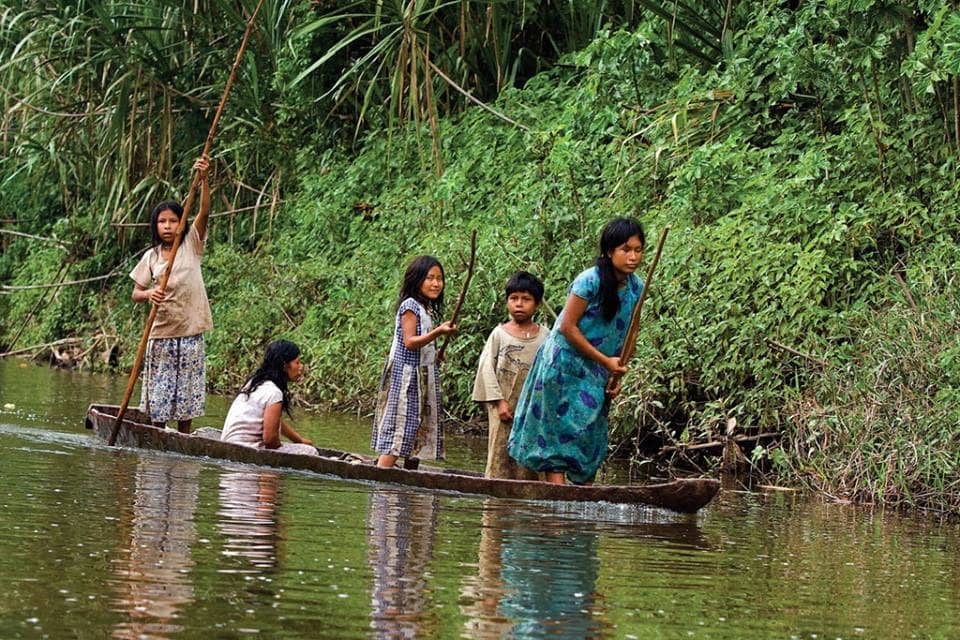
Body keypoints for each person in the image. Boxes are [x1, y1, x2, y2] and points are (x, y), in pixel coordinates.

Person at [508, 218, 645, 485]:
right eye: (625, 249)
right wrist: (606, 361)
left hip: (598, 372)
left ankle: (580, 502)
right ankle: (559, 506)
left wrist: (617, 373)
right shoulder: (589, 281)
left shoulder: (636, 287)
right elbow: (567, 328)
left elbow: (632, 333)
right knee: (555, 439)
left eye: (638, 250)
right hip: (563, 366)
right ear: (609, 251)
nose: (632, 256)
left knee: (588, 437)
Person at [129, 156, 213, 434]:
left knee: (186, 392)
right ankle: (157, 433)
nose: (167, 226)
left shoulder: (191, 245)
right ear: (155, 226)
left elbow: (204, 212)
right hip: (161, 334)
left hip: (189, 331)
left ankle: (184, 436)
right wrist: (149, 293)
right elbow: (136, 292)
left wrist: (203, 179)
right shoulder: (151, 257)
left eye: (173, 221)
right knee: (160, 393)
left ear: (181, 223)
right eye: (162, 221)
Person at [371, 255, 456, 469]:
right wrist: (438, 332)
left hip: (421, 375)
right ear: (417, 280)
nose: (436, 283)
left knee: (416, 431)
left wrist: (434, 354)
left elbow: (421, 343)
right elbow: (409, 342)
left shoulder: (424, 308)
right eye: (430, 278)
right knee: (400, 429)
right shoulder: (410, 306)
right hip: (406, 377)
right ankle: (382, 474)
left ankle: (408, 478)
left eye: (439, 278)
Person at [472, 271, 549, 480]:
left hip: (534, 410)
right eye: (514, 298)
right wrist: (499, 402)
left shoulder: (545, 337)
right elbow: (486, 369)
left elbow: (550, 372)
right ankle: (495, 500)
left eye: (526, 299)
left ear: (537, 304)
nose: (519, 304)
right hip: (503, 406)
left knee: (530, 454)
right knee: (500, 451)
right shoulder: (499, 334)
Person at [221, 339, 317, 456]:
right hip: (246, 447)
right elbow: (270, 440)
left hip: (229, 443)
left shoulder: (255, 383)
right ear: (285, 366)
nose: (301, 367)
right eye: (297, 363)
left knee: (303, 447)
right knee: (310, 452)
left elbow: (274, 422)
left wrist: (299, 440)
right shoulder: (274, 392)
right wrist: (284, 449)